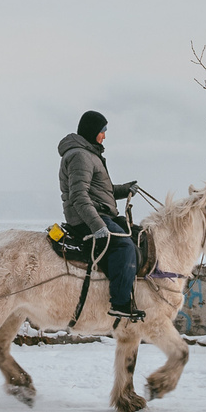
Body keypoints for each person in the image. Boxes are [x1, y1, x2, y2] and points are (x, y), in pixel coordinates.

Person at [57, 110, 142, 321]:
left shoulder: (89, 154)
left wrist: (125, 190)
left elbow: (101, 190)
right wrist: (97, 226)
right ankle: (120, 304)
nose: (104, 135)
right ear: (92, 131)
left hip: (100, 212)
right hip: (85, 217)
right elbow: (78, 195)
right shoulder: (80, 156)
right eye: (102, 131)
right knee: (123, 245)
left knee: (135, 235)